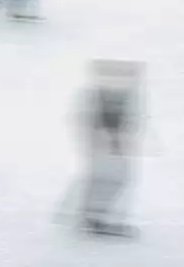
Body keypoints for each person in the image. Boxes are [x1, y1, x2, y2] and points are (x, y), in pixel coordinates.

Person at [78, 60, 143, 237]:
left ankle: (93, 217)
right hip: (106, 139)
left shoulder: (117, 92)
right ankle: (93, 218)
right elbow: (100, 118)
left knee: (112, 176)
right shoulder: (105, 92)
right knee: (112, 176)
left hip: (109, 138)